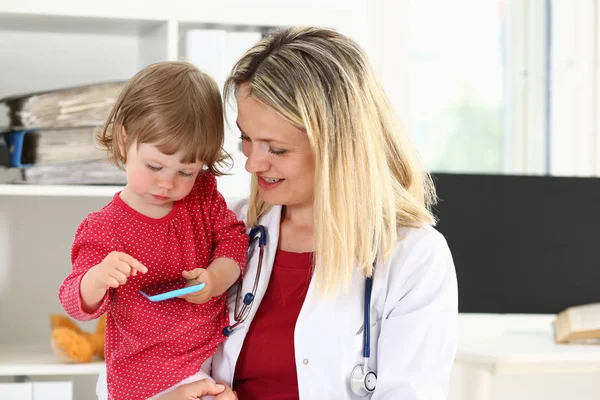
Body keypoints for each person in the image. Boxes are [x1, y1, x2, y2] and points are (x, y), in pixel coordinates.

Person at [58, 61, 249, 400]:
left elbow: (234, 241)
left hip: (207, 358)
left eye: (186, 172)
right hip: (141, 377)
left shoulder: (203, 195)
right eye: (155, 166)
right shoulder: (103, 226)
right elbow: (74, 301)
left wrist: (216, 279)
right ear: (123, 140)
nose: (167, 183)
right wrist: (98, 278)